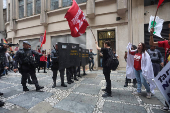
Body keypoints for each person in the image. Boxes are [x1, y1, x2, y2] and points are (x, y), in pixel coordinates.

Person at [150, 28, 170, 111]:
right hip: (167, 68)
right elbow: (152, 43)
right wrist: (151, 34)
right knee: (167, 86)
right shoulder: (166, 43)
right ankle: (167, 104)